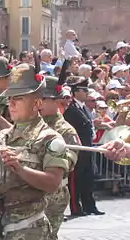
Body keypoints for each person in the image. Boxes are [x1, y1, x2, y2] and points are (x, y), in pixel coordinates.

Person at [0, 64, 70, 240]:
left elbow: (53, 183)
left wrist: (20, 169)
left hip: (29, 228)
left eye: (19, 98)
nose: (12, 104)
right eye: (10, 99)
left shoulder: (51, 139)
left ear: (37, 103)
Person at [39, 76, 80, 240]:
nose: (38, 102)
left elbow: (67, 165)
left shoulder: (65, 130)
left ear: (56, 101)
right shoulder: (32, 124)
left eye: (43, 99)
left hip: (52, 195)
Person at [63, 76, 105, 216]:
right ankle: (76, 207)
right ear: (75, 92)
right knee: (76, 179)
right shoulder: (71, 110)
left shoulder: (83, 108)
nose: (86, 92)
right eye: (83, 90)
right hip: (78, 150)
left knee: (88, 178)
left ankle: (90, 206)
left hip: (88, 148)